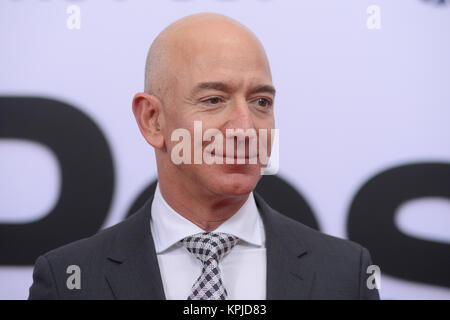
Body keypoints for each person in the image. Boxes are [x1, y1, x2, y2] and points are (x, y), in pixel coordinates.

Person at [28, 12, 380, 300]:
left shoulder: (346, 274)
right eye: (214, 99)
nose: (245, 128)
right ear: (153, 120)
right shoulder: (69, 280)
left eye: (261, 102)